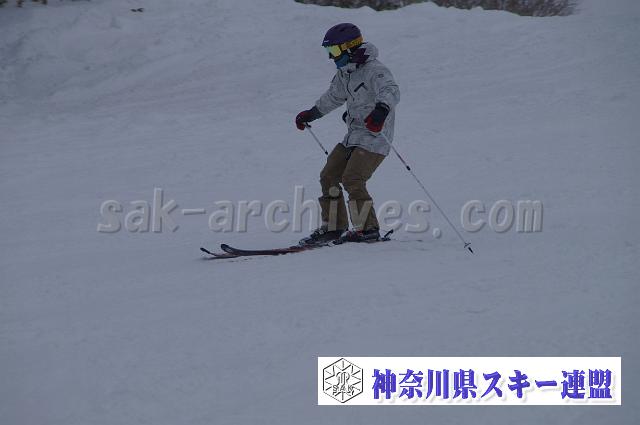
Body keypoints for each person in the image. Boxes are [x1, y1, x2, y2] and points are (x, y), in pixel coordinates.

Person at [295, 23, 400, 245]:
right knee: (329, 175)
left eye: (334, 50)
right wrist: (312, 113)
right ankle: (334, 227)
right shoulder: (345, 73)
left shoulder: (374, 70)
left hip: (375, 137)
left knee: (352, 178)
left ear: (349, 47)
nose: (331, 57)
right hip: (353, 136)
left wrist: (381, 111)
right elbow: (333, 96)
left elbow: (391, 90)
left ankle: (367, 229)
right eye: (329, 51)